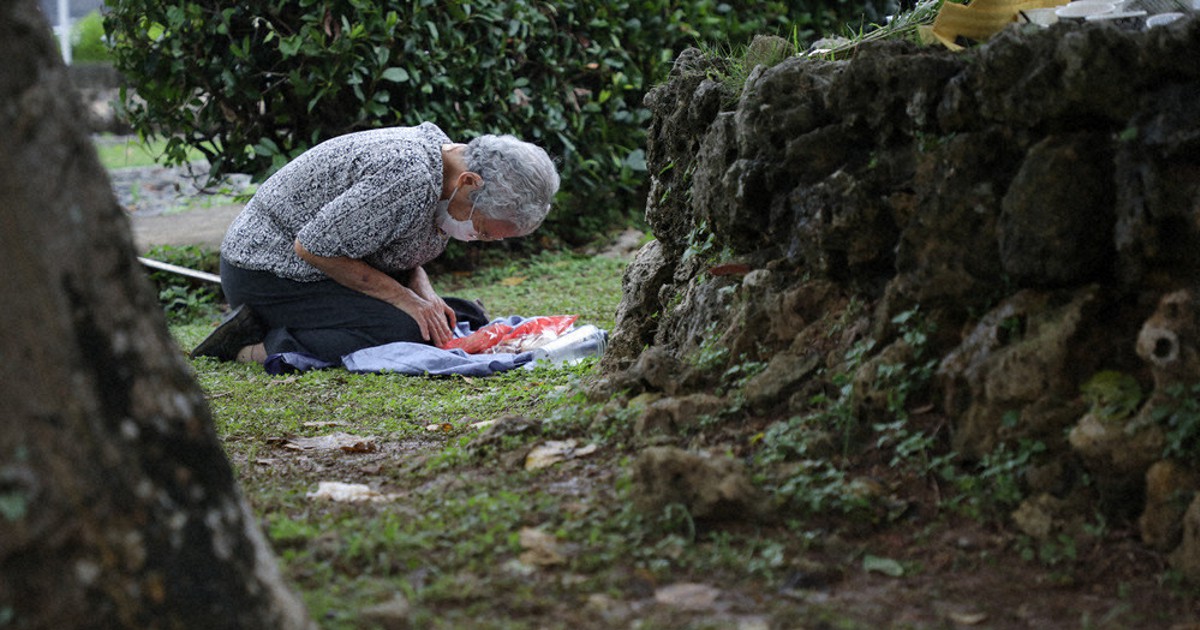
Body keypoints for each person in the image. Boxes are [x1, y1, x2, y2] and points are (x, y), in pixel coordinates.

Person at [191, 122, 560, 363]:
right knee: (405, 330)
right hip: (269, 272)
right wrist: (408, 301)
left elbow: (393, 245)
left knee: (455, 317)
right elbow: (312, 247)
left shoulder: (446, 171)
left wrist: (426, 296)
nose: (479, 239)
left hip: (327, 265)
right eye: (484, 230)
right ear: (469, 183)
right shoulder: (406, 177)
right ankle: (249, 346)